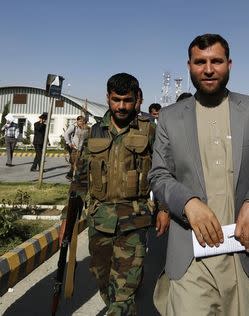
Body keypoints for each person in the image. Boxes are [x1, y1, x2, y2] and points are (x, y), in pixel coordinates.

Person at [149, 33, 249, 315]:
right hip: (192, 257)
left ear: (229, 64)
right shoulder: (170, 117)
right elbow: (159, 175)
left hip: (247, 248)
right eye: (200, 62)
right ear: (189, 66)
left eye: (216, 61)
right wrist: (188, 203)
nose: (209, 69)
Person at [63, 73, 170, 315]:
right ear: (108, 98)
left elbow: (162, 173)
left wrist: (163, 208)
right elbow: (80, 180)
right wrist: (66, 220)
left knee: (123, 293)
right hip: (99, 221)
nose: (121, 106)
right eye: (116, 99)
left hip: (134, 221)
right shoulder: (94, 133)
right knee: (104, 283)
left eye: (127, 100)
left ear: (136, 100)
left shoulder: (149, 131)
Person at [63, 115, 89, 179]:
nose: (81, 123)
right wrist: (69, 143)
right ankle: (75, 176)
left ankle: (70, 175)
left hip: (81, 148)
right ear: (77, 121)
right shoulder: (73, 127)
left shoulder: (85, 128)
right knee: (75, 162)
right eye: (80, 121)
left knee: (77, 162)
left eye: (82, 121)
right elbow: (66, 134)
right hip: (74, 147)